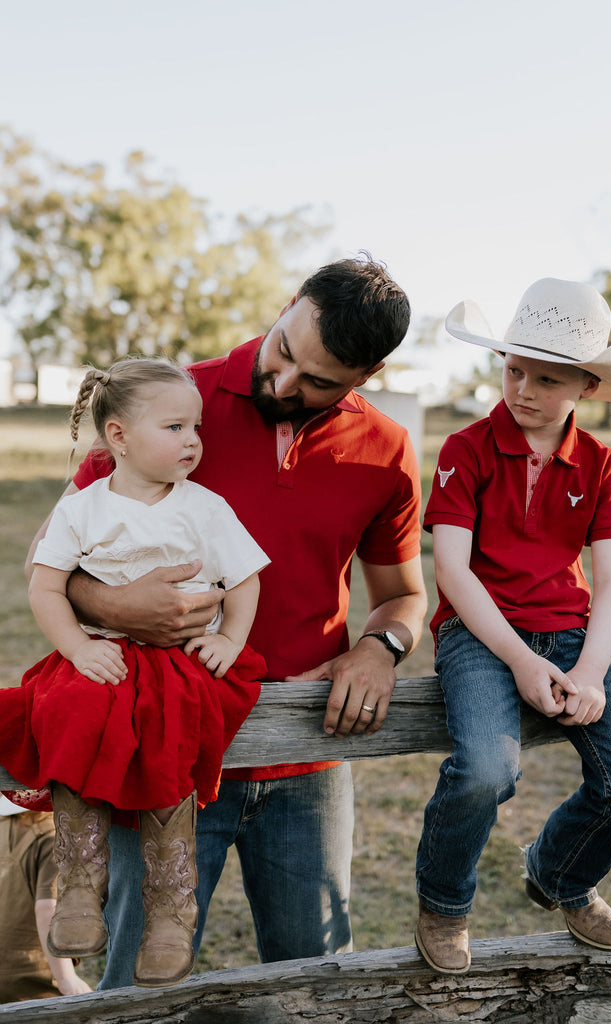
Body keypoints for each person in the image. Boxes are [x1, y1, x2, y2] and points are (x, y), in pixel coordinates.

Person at [26, 254, 428, 988]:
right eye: (283, 351)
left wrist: (380, 647)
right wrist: (118, 609)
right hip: (165, 739)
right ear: (286, 306)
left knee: (313, 979)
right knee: (140, 981)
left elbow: (403, 593)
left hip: (305, 747)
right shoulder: (167, 404)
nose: (283, 384)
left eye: (318, 381)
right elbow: (52, 566)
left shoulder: (386, 450)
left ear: (364, 377)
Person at [415, 277, 611, 975]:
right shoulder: (465, 450)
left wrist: (589, 670)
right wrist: (519, 662)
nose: (522, 389)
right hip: (478, 633)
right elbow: (454, 575)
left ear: (585, 386)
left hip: (568, 632)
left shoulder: (598, 464)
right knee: (484, 770)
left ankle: (559, 875)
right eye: (513, 370)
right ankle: (442, 903)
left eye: (546, 379)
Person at [3, 358, 268, 988]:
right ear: (117, 436)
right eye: (175, 427)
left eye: (195, 427)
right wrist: (73, 646)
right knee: (65, 707)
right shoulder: (83, 509)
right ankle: (78, 882)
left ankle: (171, 906)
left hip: (179, 658)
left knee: (172, 722)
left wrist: (231, 637)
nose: (193, 441)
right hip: (100, 647)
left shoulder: (204, 507)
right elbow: (45, 587)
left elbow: (246, 580)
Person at [0, 798, 91, 1002]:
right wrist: (66, 978)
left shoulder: (3, 825)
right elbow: (47, 909)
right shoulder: (53, 836)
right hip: (31, 980)